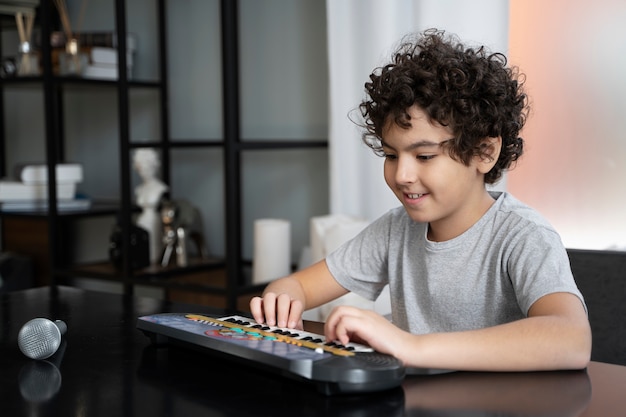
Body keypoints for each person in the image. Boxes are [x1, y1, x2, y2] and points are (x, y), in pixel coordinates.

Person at [250, 29, 591, 372]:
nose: (401, 175)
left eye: (424, 156)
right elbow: (295, 285)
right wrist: (284, 296)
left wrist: (412, 345)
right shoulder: (394, 230)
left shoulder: (522, 235)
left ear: (484, 152)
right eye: (391, 155)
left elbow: (572, 339)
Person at [133, 148, 168, 262]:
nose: (138, 168)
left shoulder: (160, 188)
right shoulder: (139, 189)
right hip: (141, 222)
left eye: (141, 164)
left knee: (153, 252)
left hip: (154, 223)